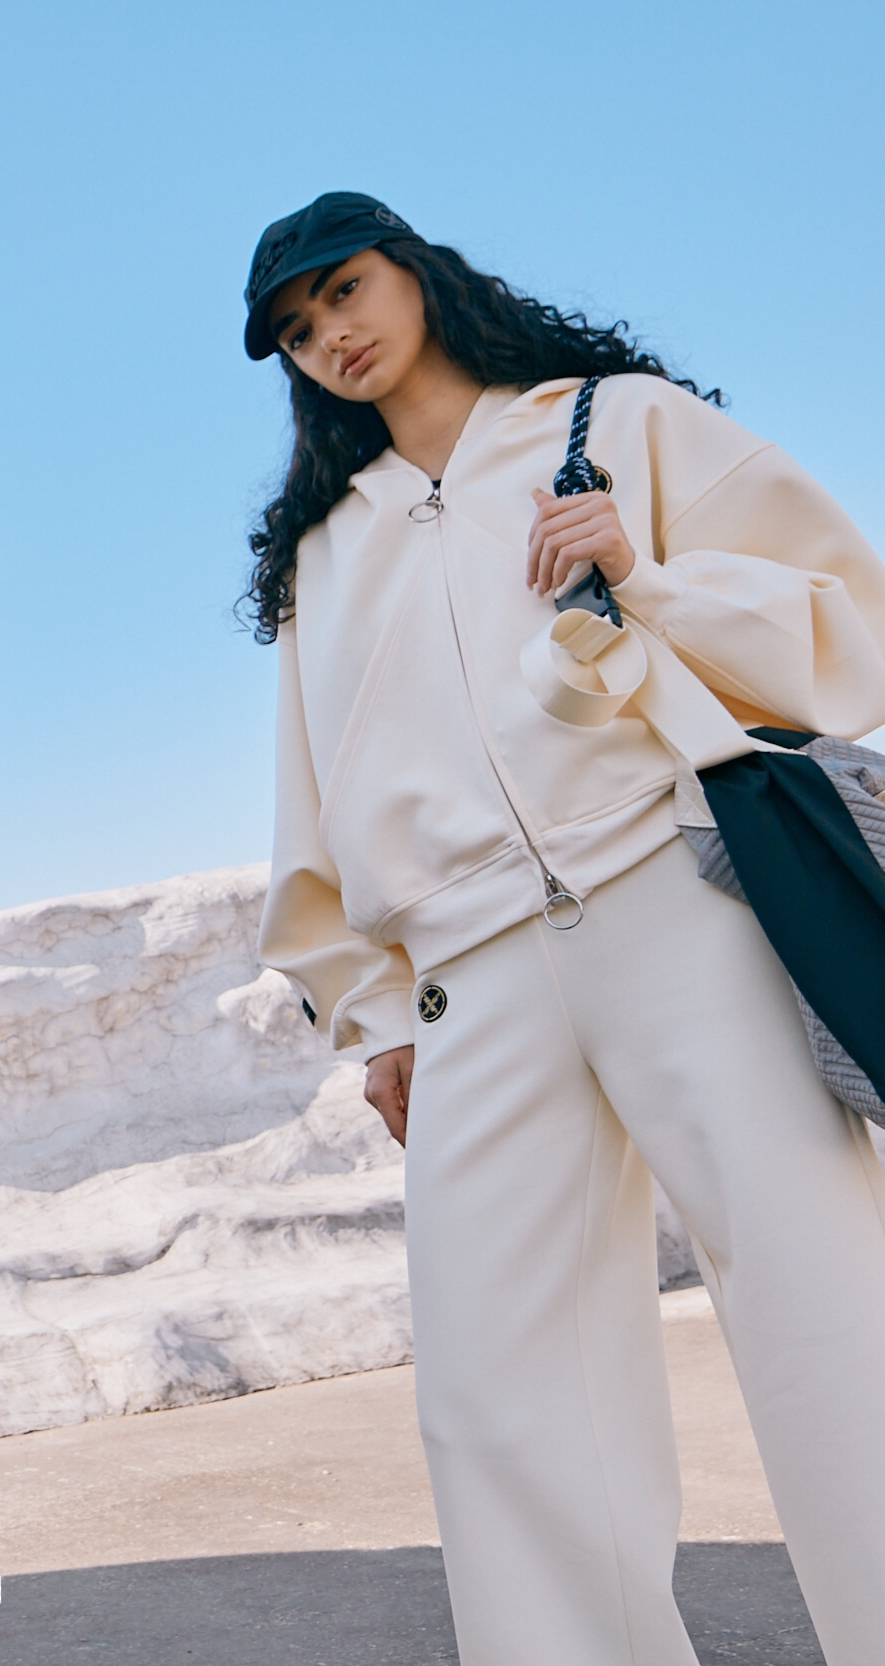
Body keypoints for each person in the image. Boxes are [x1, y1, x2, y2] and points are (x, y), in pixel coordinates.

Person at [243, 191, 885, 1665]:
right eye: (294, 328)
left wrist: (646, 573)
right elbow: (310, 797)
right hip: (468, 973)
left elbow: (847, 614)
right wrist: (372, 1011)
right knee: (495, 1391)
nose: (329, 333)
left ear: (414, 271)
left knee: (825, 1300)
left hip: (675, 895)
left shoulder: (617, 421)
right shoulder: (322, 555)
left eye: (343, 289)